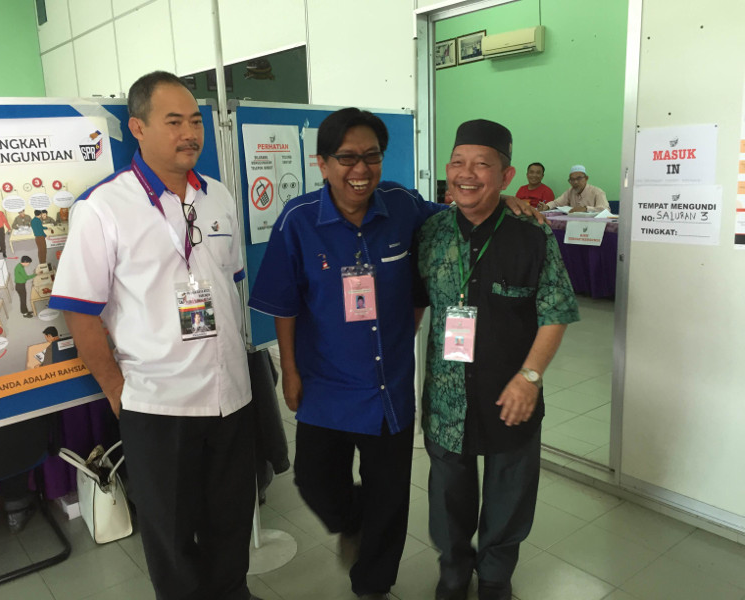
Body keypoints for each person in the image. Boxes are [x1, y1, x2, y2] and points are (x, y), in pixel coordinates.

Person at [248, 108, 541, 600]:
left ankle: (373, 585)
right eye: (347, 158)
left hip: (390, 385)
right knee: (315, 481)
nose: (360, 169)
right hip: (326, 384)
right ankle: (352, 521)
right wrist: (290, 371)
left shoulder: (402, 205)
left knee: (389, 497)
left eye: (371, 156)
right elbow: (284, 304)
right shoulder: (298, 220)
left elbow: (459, 213)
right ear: (322, 163)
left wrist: (502, 198)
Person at [49, 71, 259, 600]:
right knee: (171, 535)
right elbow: (79, 312)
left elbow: (229, 283)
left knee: (232, 520)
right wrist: (117, 392)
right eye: (174, 122)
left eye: (195, 121)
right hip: (159, 405)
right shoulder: (103, 208)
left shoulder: (218, 197)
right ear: (138, 128)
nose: (190, 133)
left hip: (231, 396)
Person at [417, 119, 579, 600]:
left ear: (506, 176)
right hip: (448, 397)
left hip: (513, 392)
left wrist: (530, 377)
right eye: (457, 163)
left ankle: (494, 577)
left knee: (510, 492)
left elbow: (556, 311)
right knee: (447, 494)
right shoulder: (430, 232)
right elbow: (412, 304)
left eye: (482, 165)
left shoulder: (532, 235)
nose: (466, 174)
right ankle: (453, 571)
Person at [541, 164, 609, 212]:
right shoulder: (570, 191)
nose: (575, 182)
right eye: (572, 179)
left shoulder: (597, 192)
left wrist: (586, 209)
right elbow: (557, 203)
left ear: (586, 178)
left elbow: (606, 210)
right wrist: (547, 206)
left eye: (579, 178)